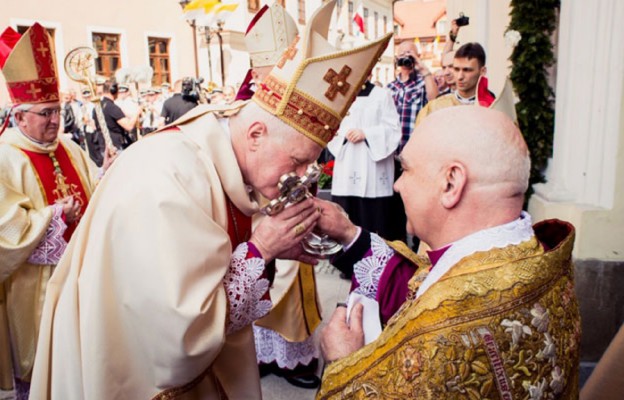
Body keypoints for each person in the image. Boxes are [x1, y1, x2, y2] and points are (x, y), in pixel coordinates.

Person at [29, 3, 392, 397]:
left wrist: (273, 244)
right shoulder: (168, 177)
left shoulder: (219, 152)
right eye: (300, 160)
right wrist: (263, 248)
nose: (305, 176)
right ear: (255, 134)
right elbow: (179, 337)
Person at [314, 106, 581, 399]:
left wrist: (344, 364)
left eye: (405, 169)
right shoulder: (534, 256)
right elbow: (424, 283)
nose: (397, 184)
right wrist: (351, 235)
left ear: (451, 183)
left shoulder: (445, 334)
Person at [0, 23, 114, 400]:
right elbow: (6, 232)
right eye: (46, 113)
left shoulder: (68, 147)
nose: (55, 121)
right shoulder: (5, 157)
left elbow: (94, 191)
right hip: (35, 290)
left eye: (58, 111)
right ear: (20, 116)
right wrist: (52, 217)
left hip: (82, 278)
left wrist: (110, 174)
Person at [236, 2, 322, 388]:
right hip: (253, 211)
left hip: (291, 204)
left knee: (293, 278)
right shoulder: (241, 107)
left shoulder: (301, 98)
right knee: (253, 273)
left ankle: (295, 358)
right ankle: (259, 354)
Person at [328, 78, 401, 239]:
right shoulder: (341, 97)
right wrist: (343, 135)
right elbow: (330, 125)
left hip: (373, 169)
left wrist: (367, 134)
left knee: (375, 224)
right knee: (347, 221)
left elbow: (394, 129)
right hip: (347, 166)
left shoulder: (382, 95)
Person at [416, 42, 494, 125]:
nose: (460, 76)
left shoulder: (493, 107)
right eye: (456, 69)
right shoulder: (435, 107)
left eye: (467, 70)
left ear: (482, 71)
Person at [96, 79, 139, 150]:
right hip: (115, 145)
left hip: (103, 144)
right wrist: (137, 112)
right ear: (113, 91)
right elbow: (129, 126)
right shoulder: (112, 107)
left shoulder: (98, 106)